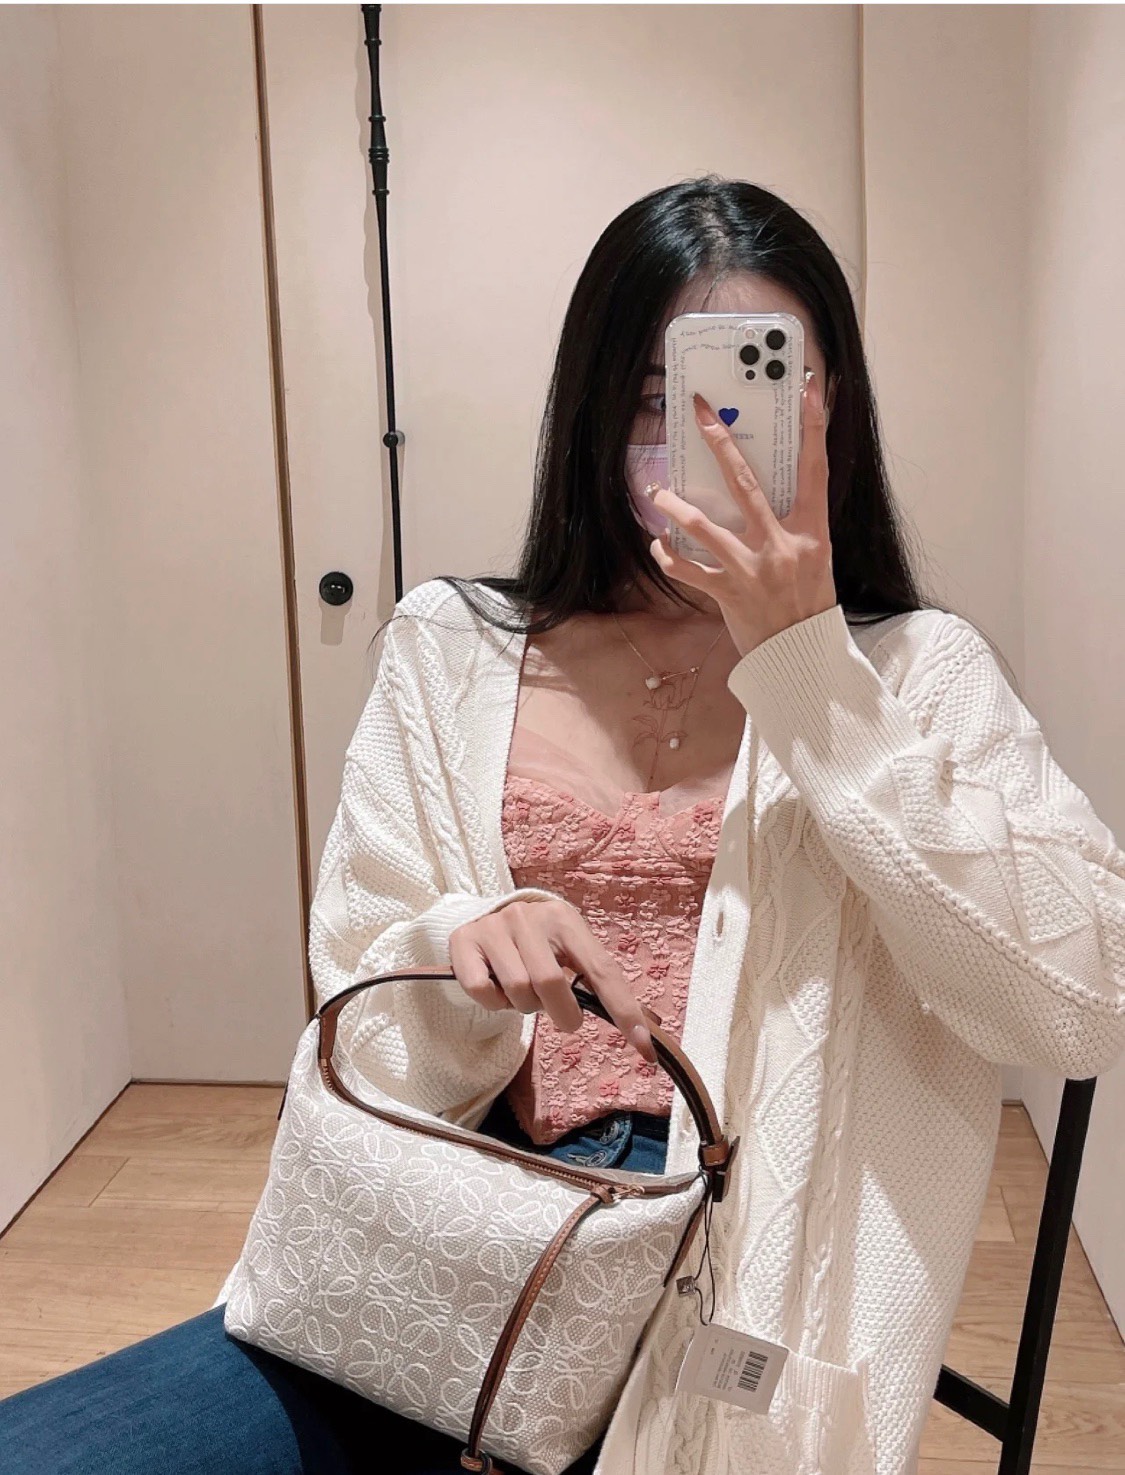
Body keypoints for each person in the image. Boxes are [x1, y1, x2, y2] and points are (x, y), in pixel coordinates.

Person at [4, 175, 1124, 1475]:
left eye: (756, 397)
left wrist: (811, 668)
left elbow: (1081, 1000)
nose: (701, 443)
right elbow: (360, 983)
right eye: (655, 399)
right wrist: (464, 936)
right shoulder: (450, 648)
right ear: (589, 410)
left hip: (732, 1294)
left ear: (834, 420)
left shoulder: (915, 676)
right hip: (452, 1237)